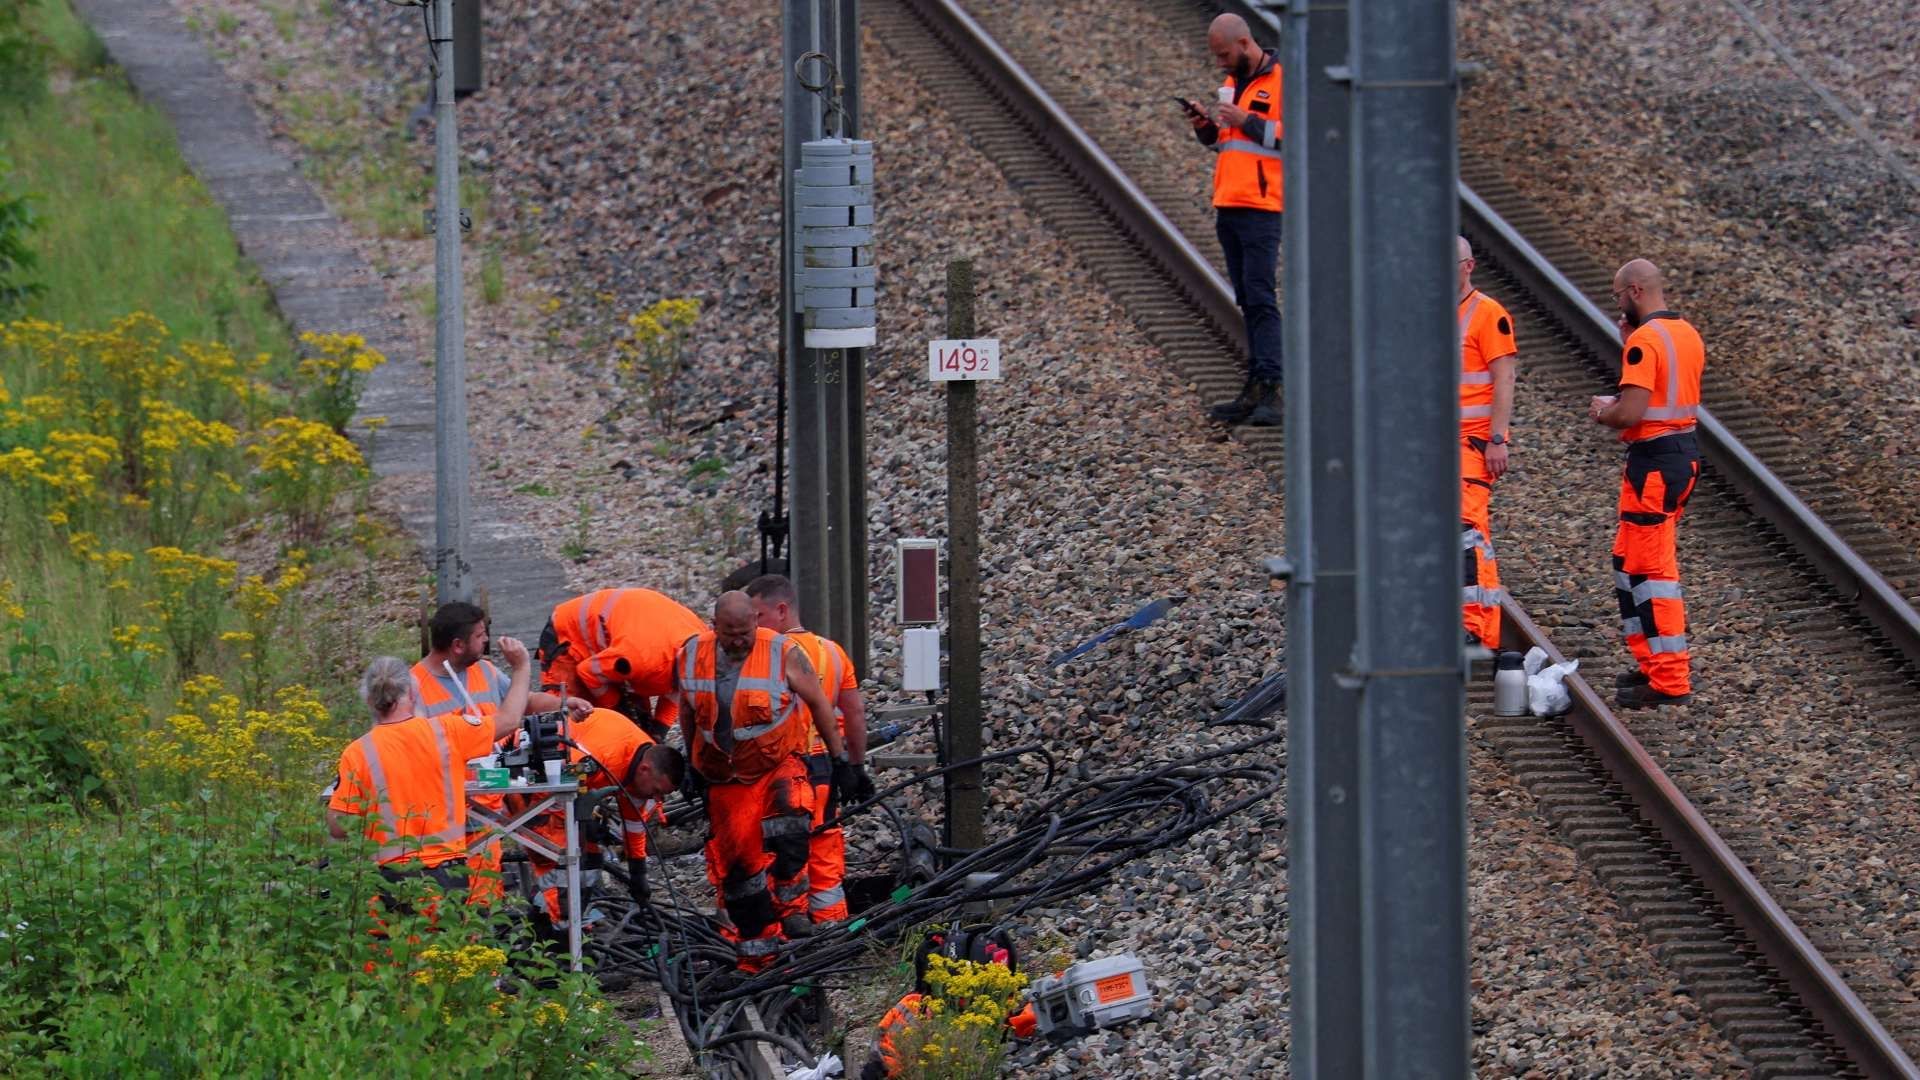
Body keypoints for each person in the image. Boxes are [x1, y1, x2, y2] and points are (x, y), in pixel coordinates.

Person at [674, 591, 849, 969]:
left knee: (791, 829)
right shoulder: (690, 655)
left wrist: (842, 760)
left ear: (756, 620)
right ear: (714, 625)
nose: (738, 640)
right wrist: (691, 763)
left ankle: (793, 909)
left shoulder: (781, 651)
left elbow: (820, 702)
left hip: (776, 764)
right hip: (725, 778)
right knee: (740, 869)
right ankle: (757, 951)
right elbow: (687, 712)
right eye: (730, 633)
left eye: (744, 631)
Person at [326, 639, 533, 903]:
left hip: (390, 878)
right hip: (449, 872)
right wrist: (522, 666)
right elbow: (509, 720)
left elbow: (339, 826)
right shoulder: (448, 731)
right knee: (449, 942)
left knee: (401, 944)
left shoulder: (357, 753)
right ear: (412, 693)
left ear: (368, 700)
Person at [410, 601, 587, 905]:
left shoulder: (485, 672)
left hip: (491, 805)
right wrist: (521, 667)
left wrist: (562, 703)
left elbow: (523, 701)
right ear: (457, 645)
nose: (487, 641)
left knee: (485, 895)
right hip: (447, 814)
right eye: (480, 635)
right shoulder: (414, 688)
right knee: (447, 900)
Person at [1588, 258, 1704, 708]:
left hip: (1654, 463)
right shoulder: (1685, 334)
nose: (1617, 303)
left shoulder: (1646, 342)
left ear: (1635, 291)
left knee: (1651, 572)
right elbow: (1665, 393)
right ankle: (1652, 665)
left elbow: (1632, 412)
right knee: (1630, 561)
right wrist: (1628, 343)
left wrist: (1603, 411)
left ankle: (1670, 680)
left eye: (1618, 295)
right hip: (1679, 455)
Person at [744, 574, 874, 928]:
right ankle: (831, 929)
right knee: (824, 847)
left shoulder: (764, 656)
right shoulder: (833, 653)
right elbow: (855, 713)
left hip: (783, 774)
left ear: (781, 610)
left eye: (758, 616)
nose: (752, 625)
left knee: (782, 852)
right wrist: (855, 766)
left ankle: (788, 933)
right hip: (826, 769)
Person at [1187, 12, 1284, 427]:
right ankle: (1256, 386)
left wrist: (1245, 120)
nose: (1221, 64)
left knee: (1261, 298)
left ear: (1245, 44)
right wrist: (1206, 126)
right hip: (1230, 203)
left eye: (1225, 55)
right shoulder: (1232, 83)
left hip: (1263, 208)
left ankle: (1273, 389)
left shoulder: (1284, 80)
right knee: (1247, 298)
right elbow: (1228, 143)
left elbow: (1296, 137)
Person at [518, 707, 685, 936]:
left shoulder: (643, 769)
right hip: (533, 778)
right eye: (656, 792)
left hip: (566, 788)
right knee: (558, 863)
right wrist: (581, 818)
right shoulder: (604, 755)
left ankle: (567, 924)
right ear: (645, 770)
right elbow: (554, 788)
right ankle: (555, 934)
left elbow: (635, 824)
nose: (657, 800)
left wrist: (638, 872)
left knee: (590, 861)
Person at [1456, 237, 1518, 651]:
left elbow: (1504, 378)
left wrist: (1497, 439)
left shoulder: (1488, 313)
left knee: (1467, 531)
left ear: (1469, 266)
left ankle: (1475, 628)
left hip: (1474, 443)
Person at [537, 587, 707, 738]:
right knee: (568, 722)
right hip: (568, 637)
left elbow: (677, 691)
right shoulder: (642, 659)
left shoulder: (704, 646)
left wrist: (658, 731)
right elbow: (588, 672)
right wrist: (617, 708)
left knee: (639, 727)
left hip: (622, 646)